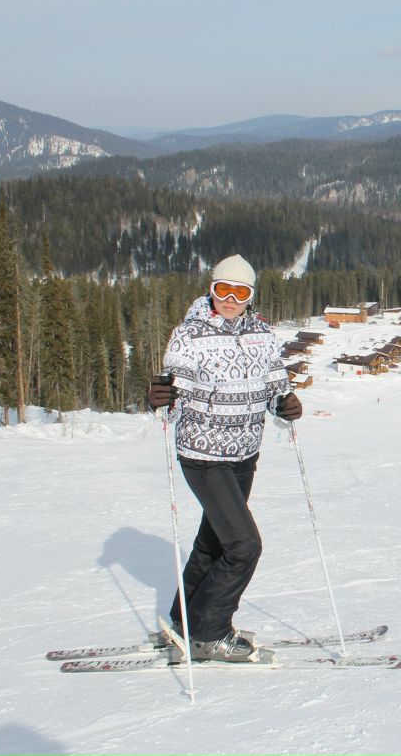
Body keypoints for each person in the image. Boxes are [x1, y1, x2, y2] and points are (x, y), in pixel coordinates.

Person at [146, 254, 302, 662]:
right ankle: (209, 632)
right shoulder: (189, 334)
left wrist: (284, 403)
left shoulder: (263, 334)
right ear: (211, 289)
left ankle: (184, 621)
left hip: (244, 453)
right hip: (202, 452)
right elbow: (173, 387)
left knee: (213, 541)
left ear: (251, 296)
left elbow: (274, 383)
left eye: (240, 292)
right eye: (222, 290)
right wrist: (159, 399)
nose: (230, 299)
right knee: (244, 546)